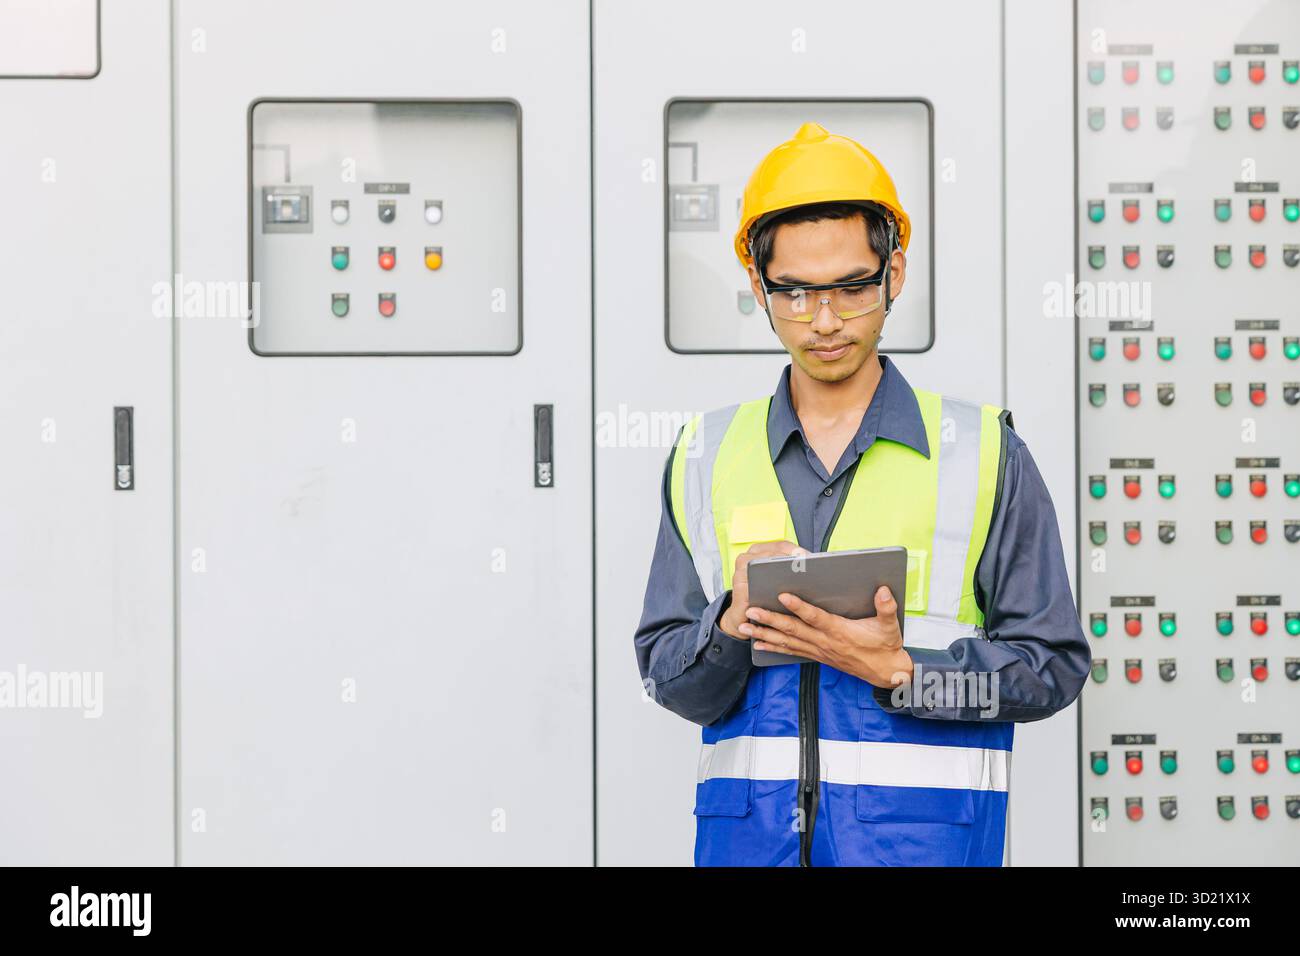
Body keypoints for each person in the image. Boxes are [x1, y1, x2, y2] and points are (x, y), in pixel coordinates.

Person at [633, 122, 1089, 866]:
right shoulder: (704, 455)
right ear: (759, 284)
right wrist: (730, 627)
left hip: (925, 851)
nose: (824, 320)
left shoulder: (983, 453)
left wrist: (905, 674)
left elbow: (1053, 668)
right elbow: (666, 676)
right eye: (795, 292)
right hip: (748, 849)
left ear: (894, 275)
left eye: (850, 288)